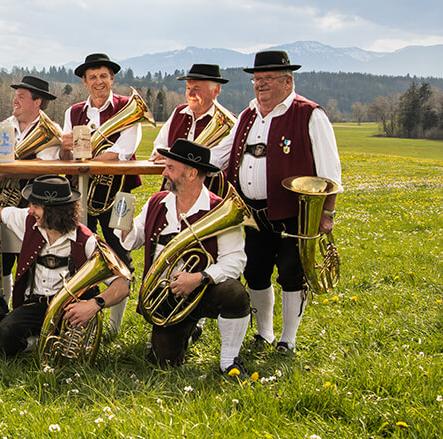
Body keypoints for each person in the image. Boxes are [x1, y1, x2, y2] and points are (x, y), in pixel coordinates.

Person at [212, 50, 342, 354]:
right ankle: (265, 333)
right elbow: (220, 155)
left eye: (268, 78)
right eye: (257, 79)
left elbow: (330, 171)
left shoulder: (309, 114)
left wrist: (327, 213)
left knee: (291, 274)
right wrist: (181, 158)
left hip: (295, 213)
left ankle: (288, 339)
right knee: (255, 272)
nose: (261, 84)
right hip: (252, 213)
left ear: (287, 82)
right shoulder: (247, 115)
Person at [0, 175, 130, 357]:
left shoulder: (86, 240)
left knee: (73, 350)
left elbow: (122, 285)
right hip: (36, 305)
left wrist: (94, 304)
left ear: (55, 211)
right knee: (4, 336)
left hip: (71, 308)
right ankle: (41, 341)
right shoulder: (29, 221)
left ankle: (54, 338)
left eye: (36, 206)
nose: (30, 210)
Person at [122, 139, 249, 374]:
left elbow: (235, 261)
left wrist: (199, 278)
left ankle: (229, 360)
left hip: (204, 289)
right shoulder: (156, 202)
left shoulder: (220, 210)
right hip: (166, 295)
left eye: (170, 168)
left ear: (191, 173)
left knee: (235, 293)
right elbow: (134, 239)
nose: (164, 173)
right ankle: (191, 329)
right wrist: (124, 225)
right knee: (164, 363)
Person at [59, 53, 142, 333]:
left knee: (119, 252)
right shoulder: (73, 112)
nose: (98, 82)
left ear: (112, 78)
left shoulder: (127, 107)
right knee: (80, 252)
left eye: (103, 76)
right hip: (81, 193)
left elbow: (123, 151)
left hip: (118, 194)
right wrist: (67, 149)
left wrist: (87, 157)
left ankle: (114, 328)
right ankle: (83, 319)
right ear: (84, 81)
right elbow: (68, 154)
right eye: (92, 77)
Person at [0, 75, 62, 302]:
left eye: (21, 96)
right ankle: (1, 305)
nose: (15, 100)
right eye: (16, 96)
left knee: (29, 257)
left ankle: (26, 305)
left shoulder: (50, 131)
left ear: (37, 102)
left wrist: (6, 172)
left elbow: (43, 167)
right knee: (0, 259)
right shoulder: (5, 124)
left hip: (30, 204)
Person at [150, 64, 231, 160]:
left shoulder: (229, 123)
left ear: (215, 90)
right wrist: (161, 153)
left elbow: (220, 160)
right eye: (188, 88)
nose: (190, 94)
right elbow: (159, 145)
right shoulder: (178, 112)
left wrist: (173, 155)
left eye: (197, 89)